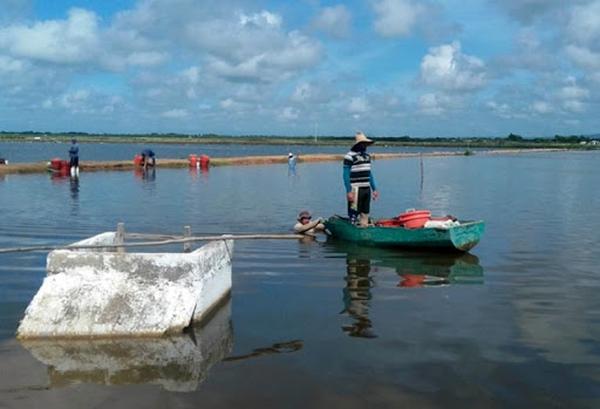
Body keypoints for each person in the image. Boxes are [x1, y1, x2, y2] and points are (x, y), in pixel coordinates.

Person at [343, 131, 379, 226]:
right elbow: (345, 174)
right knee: (353, 211)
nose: (365, 146)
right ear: (358, 144)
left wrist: (374, 189)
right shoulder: (349, 156)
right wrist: (348, 191)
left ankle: (364, 228)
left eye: (366, 144)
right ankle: (352, 228)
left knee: (365, 212)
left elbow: (369, 173)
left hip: (366, 188)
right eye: (363, 144)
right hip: (356, 188)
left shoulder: (367, 157)